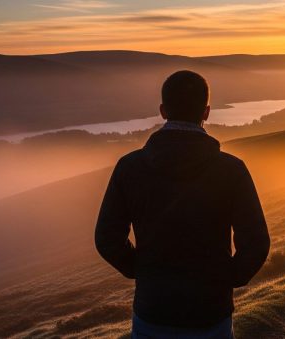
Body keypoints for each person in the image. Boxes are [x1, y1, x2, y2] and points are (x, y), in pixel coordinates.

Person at [95, 70, 270, 339]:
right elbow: (256, 242)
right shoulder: (231, 170)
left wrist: (141, 270)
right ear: (207, 112)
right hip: (210, 313)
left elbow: (107, 238)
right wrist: (225, 280)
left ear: (163, 111)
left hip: (153, 310)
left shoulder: (130, 167)